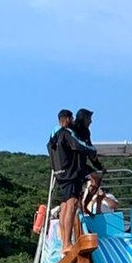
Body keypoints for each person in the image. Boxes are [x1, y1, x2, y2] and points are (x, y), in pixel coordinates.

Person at [48, 108, 100, 253]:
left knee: (65, 205)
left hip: (60, 173)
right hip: (71, 171)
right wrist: (92, 151)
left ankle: (64, 242)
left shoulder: (55, 133)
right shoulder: (68, 132)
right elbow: (79, 145)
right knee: (71, 205)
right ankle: (66, 243)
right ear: (70, 118)